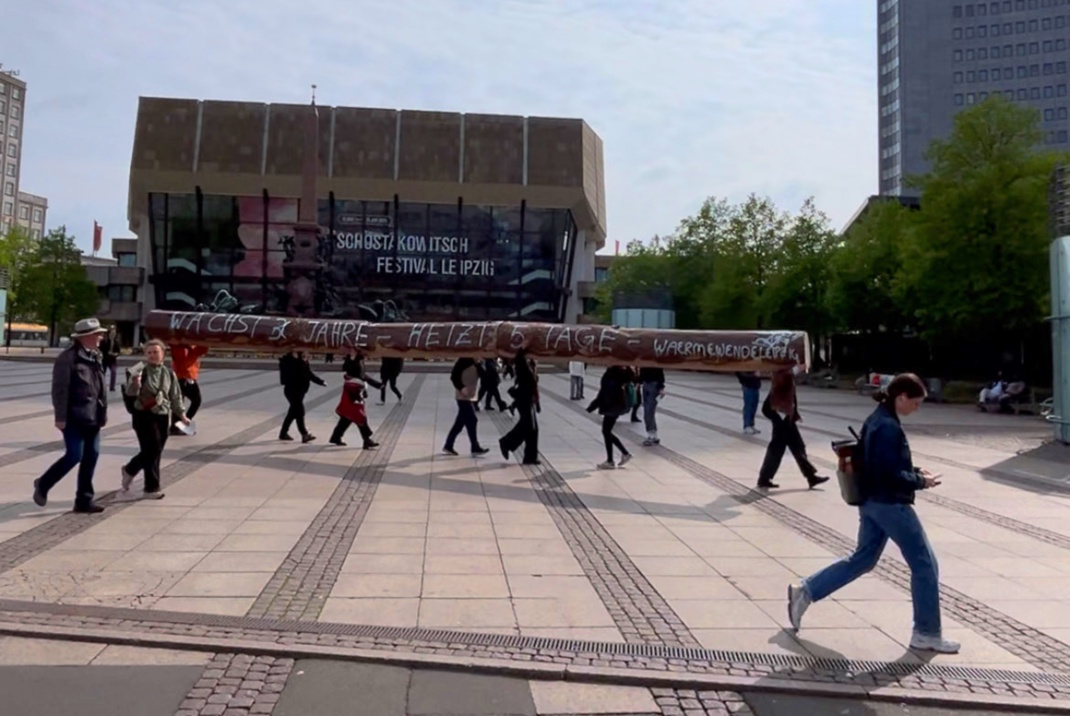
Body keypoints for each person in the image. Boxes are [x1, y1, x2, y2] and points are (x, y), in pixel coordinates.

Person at [788, 373, 959, 654]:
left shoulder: (878, 419)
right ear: (901, 397)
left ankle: (805, 591)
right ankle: (927, 632)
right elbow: (888, 474)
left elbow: (881, 465)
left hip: (871, 502)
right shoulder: (888, 426)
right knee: (925, 564)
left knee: (863, 559)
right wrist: (920, 481)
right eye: (915, 403)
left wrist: (916, 472)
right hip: (889, 503)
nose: (916, 408)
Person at [32, 317, 109, 514]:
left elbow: (101, 388)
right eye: (97, 334)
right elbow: (59, 389)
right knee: (75, 455)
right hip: (74, 416)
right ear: (85, 337)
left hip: (93, 416)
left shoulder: (96, 356)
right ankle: (43, 484)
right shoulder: (67, 358)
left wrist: (103, 412)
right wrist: (60, 417)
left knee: (92, 456)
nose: (100, 337)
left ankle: (84, 500)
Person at [120, 340, 187, 499]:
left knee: (154, 452)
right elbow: (130, 393)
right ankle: (150, 488)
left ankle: (132, 470)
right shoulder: (138, 369)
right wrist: (135, 383)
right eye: (149, 352)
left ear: (163, 353)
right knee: (153, 448)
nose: (152, 355)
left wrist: (182, 415)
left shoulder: (169, 373)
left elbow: (175, 396)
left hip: (163, 415)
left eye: (155, 352)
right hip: (143, 414)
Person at [757, 368, 830, 490]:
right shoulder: (782, 376)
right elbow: (766, 408)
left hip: (786, 420)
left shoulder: (786, 376)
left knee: (796, 447)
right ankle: (764, 478)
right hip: (782, 421)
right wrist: (778, 419)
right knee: (778, 450)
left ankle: (810, 477)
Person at [499, 348, 540, 464]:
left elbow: (533, 383)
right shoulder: (521, 362)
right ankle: (506, 442)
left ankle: (530, 457)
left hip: (528, 399)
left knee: (533, 429)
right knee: (528, 426)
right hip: (523, 400)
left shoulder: (529, 363)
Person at [587, 365, 632, 469]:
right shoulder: (621, 372)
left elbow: (604, 392)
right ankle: (622, 455)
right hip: (616, 405)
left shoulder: (612, 373)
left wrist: (593, 406)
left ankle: (612, 459)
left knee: (606, 431)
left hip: (611, 406)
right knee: (606, 431)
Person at [443, 357, 489, 456]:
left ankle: (448, 445)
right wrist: (461, 387)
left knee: (459, 423)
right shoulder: (464, 360)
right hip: (462, 397)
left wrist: (479, 365)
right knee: (472, 420)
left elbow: (485, 378)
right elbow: (454, 376)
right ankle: (475, 446)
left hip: (471, 396)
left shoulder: (478, 362)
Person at [279, 349, 326, 443]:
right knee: (299, 412)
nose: (307, 354)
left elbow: (309, 374)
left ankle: (283, 433)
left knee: (292, 413)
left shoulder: (302, 362)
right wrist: (299, 361)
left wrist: (321, 382)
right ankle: (304, 434)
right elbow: (289, 375)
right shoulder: (288, 361)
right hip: (292, 391)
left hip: (300, 391)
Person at [329, 373, 380, 448]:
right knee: (360, 419)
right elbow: (355, 392)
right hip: (352, 405)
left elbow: (365, 381)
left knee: (345, 420)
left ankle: (336, 437)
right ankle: (367, 440)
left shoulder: (354, 380)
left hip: (350, 405)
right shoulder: (351, 383)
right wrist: (359, 397)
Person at [170, 343, 208, 435]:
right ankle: (182, 425)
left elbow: (203, 349)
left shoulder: (191, 346)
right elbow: (181, 355)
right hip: (184, 377)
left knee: (179, 402)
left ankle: (175, 427)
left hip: (185, 377)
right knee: (196, 401)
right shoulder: (179, 346)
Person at [639, 366, 665, 446]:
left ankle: (651, 435)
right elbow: (642, 372)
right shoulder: (644, 360)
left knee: (648, 411)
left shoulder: (653, 360)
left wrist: (661, 388)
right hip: (646, 384)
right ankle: (653, 434)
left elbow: (660, 372)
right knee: (648, 411)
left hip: (654, 385)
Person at [736, 371, 762, 435]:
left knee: (754, 406)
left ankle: (751, 424)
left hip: (755, 385)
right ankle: (747, 426)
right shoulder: (743, 365)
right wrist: (753, 374)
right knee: (748, 406)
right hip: (748, 385)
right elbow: (739, 373)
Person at [100, 324, 121, 392]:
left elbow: (118, 352)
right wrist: (105, 354)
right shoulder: (104, 341)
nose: (113, 334)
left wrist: (115, 354)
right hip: (105, 360)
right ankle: (101, 386)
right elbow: (100, 350)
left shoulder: (116, 342)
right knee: (102, 373)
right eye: (112, 333)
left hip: (112, 360)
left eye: (114, 333)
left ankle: (112, 387)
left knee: (114, 372)